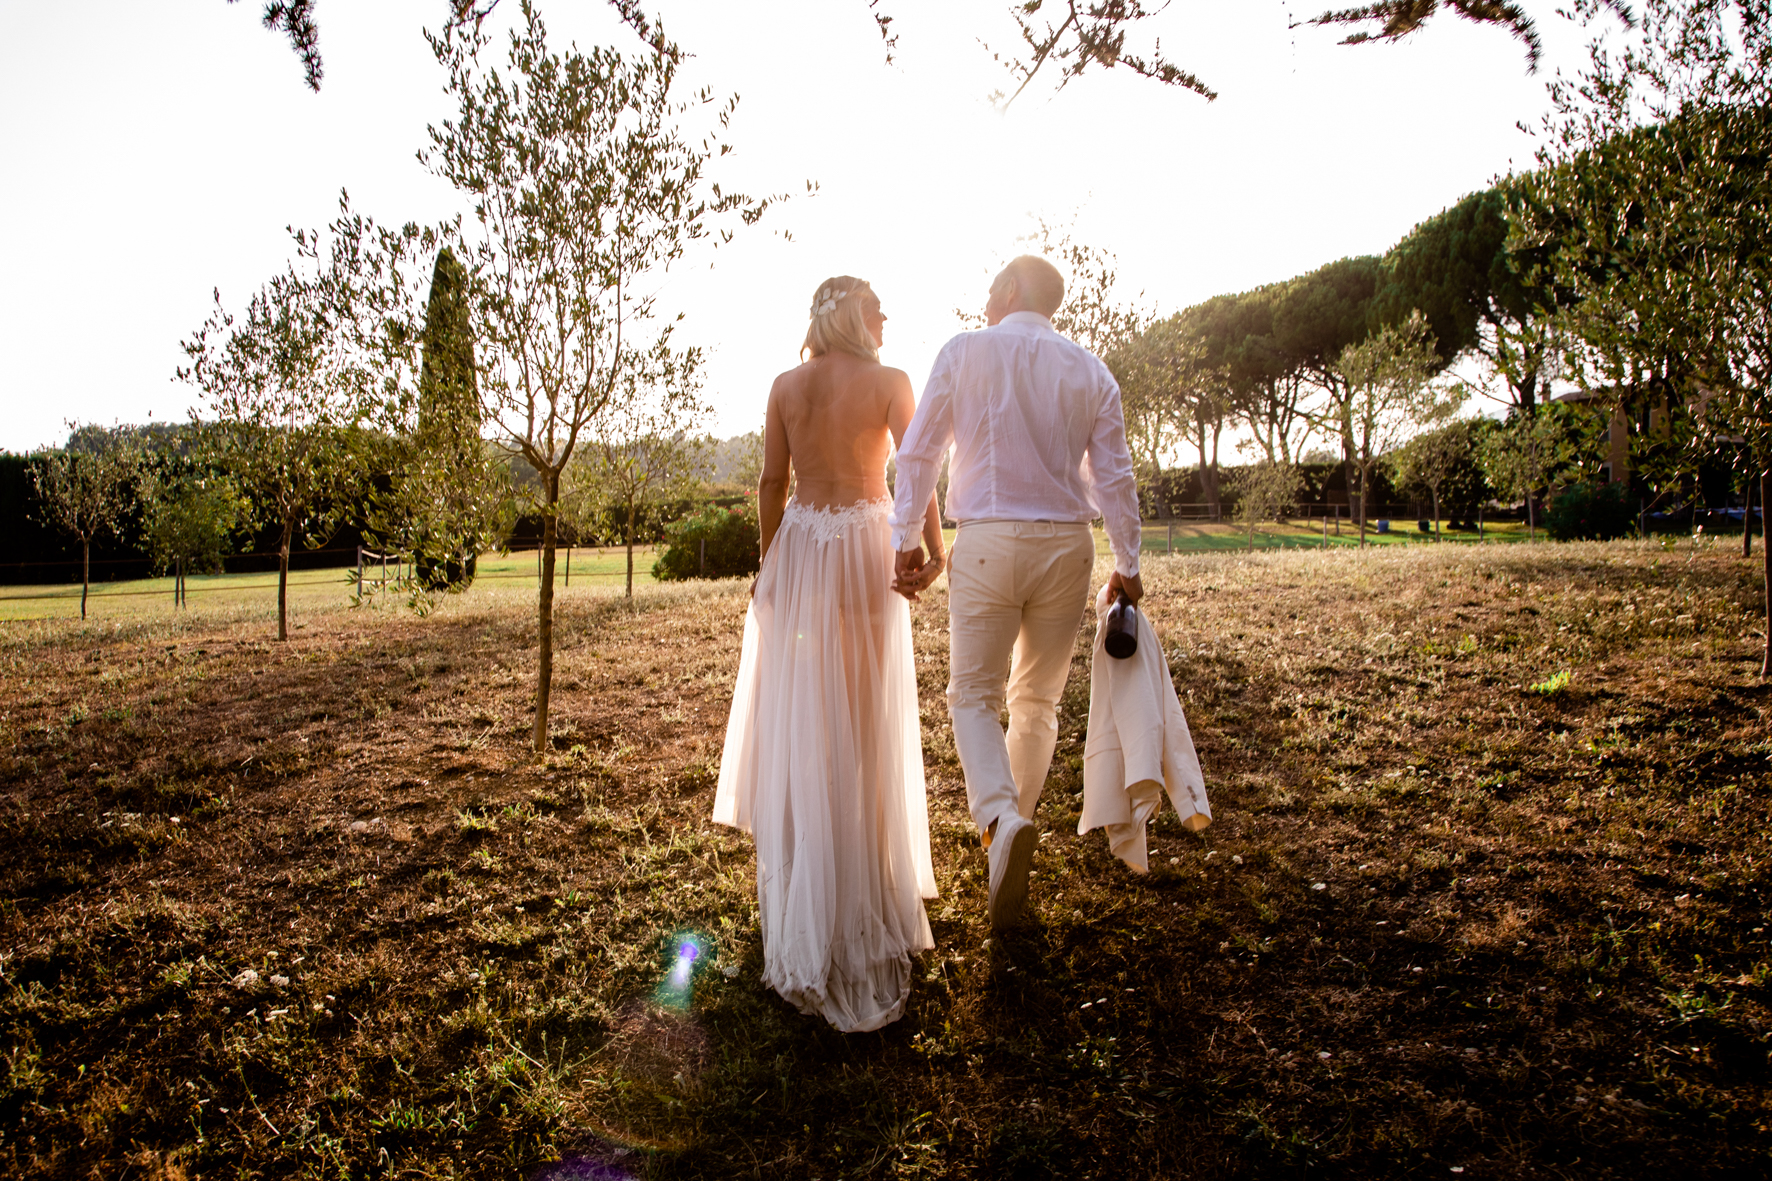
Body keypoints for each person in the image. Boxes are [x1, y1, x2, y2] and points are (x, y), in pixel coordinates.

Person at [713, 277, 946, 1032]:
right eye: (877, 306)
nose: (886, 316)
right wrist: (933, 547)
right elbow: (916, 468)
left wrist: (769, 565)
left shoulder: (785, 385)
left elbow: (771, 482)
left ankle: (812, 896)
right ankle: (861, 890)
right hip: (868, 549)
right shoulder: (890, 381)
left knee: (809, 721)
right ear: (851, 315)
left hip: (805, 550)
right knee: (866, 724)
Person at [888, 254, 1144, 930]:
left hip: (990, 540)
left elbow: (919, 452)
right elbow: (1115, 476)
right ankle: (1011, 831)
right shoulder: (1091, 370)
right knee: (1037, 700)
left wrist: (906, 537)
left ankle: (1001, 822)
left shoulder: (965, 351)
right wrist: (1129, 560)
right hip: (1067, 548)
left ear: (1008, 289)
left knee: (973, 694)